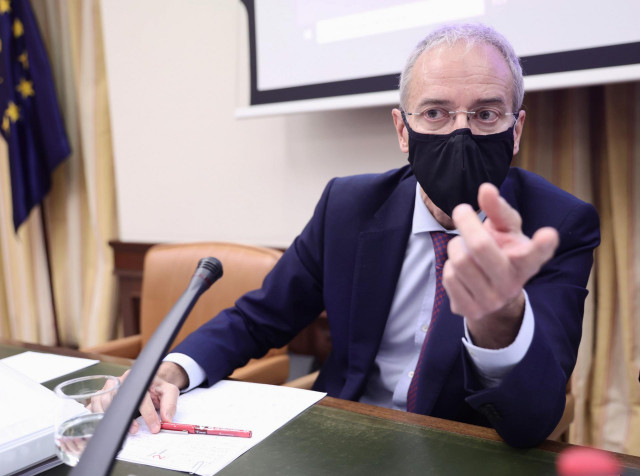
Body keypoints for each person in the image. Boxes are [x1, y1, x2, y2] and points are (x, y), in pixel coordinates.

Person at [125, 23, 600, 448]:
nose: (461, 133)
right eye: (435, 112)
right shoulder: (348, 206)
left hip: (455, 451)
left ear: (515, 131)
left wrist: (501, 320)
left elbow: (533, 422)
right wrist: (171, 370)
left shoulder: (556, 226)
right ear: (402, 129)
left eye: (486, 114)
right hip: (339, 439)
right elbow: (259, 318)